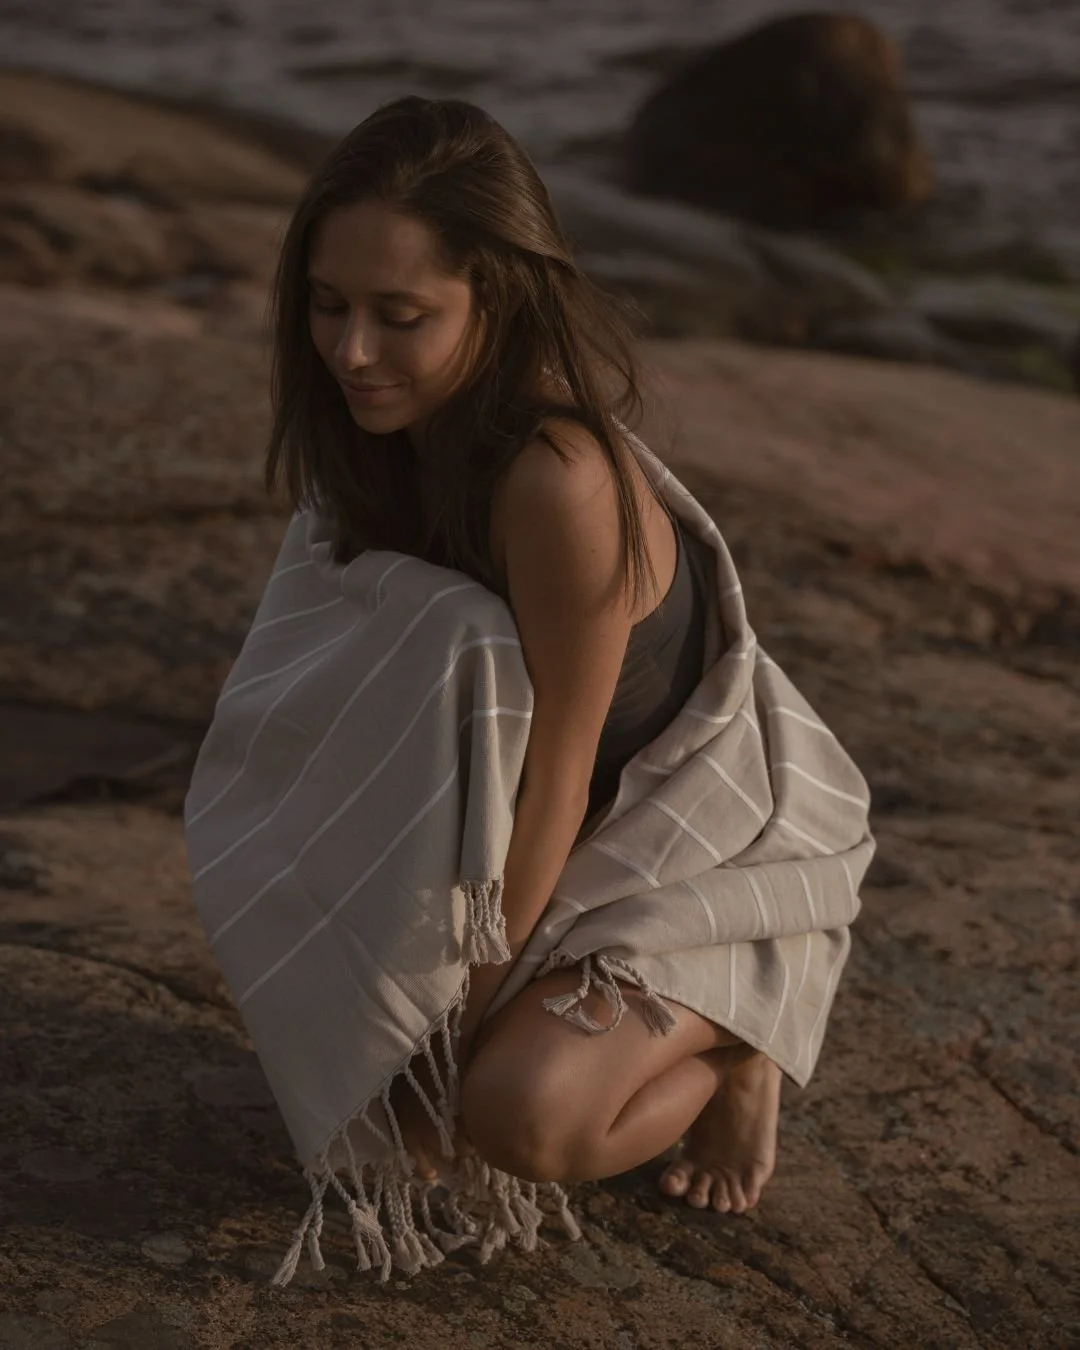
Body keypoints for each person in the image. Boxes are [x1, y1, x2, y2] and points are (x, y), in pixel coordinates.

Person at [264, 95, 783, 1218]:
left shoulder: (558, 482)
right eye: (328, 304)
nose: (351, 351)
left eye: (401, 314)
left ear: (495, 300)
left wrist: (449, 1036)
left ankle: (741, 1043)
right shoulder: (373, 438)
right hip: (511, 829)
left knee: (515, 1115)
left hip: (672, 837)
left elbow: (557, 783)